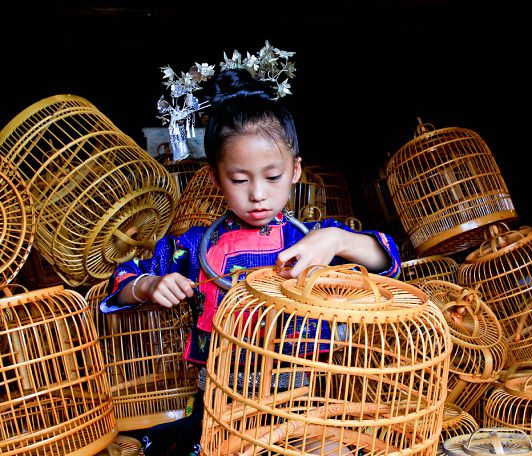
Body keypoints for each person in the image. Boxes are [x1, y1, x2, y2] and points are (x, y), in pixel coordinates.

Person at [100, 66, 401, 456]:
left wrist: (338, 239)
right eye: (240, 180)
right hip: (221, 407)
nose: (258, 194)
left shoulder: (312, 239)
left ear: (295, 171)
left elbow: (385, 259)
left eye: (272, 177)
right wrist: (148, 285)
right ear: (215, 179)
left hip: (304, 406)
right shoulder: (194, 247)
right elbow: (124, 280)